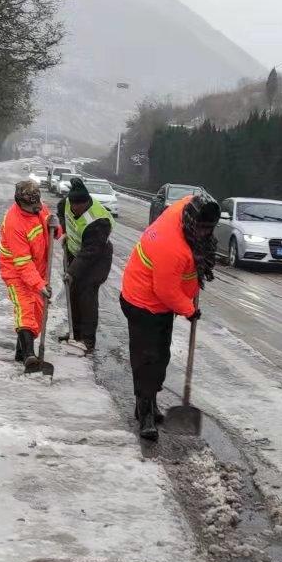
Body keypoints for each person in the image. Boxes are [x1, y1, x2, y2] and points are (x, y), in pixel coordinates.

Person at [119, 191, 219, 440]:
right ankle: (145, 415)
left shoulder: (189, 207)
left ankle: (150, 404)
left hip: (162, 305)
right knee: (146, 359)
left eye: (210, 230)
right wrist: (189, 310)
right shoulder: (171, 246)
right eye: (202, 229)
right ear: (190, 222)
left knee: (161, 356)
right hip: (142, 301)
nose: (205, 234)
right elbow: (165, 289)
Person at [0, 179, 54, 363]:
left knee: (37, 311)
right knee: (25, 309)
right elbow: (22, 263)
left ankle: (21, 352)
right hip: (15, 272)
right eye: (33, 206)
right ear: (20, 203)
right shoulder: (14, 223)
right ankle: (30, 356)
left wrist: (56, 227)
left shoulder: (39, 207)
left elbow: (50, 229)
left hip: (37, 270)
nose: (38, 208)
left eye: (39, 203)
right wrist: (39, 284)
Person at [57, 177, 115, 352]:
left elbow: (90, 252)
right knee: (72, 293)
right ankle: (75, 334)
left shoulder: (99, 220)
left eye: (78, 207)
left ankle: (88, 340)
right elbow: (61, 210)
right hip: (75, 252)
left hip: (97, 260)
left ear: (86, 203)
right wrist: (64, 230)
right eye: (72, 205)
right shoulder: (67, 203)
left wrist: (72, 272)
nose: (74, 209)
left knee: (86, 295)